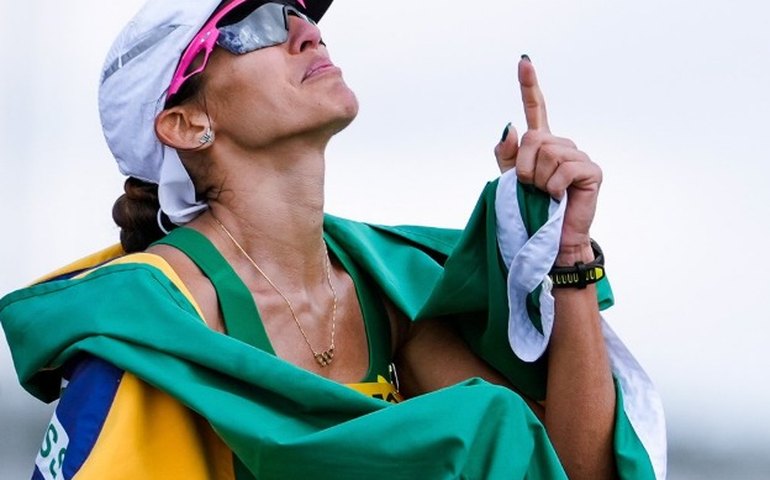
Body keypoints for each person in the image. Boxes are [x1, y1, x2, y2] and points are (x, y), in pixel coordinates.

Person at [0, 0, 666, 479]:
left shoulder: (381, 288)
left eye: (301, 12)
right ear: (186, 122)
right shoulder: (152, 326)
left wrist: (567, 254)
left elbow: (566, 467)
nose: (305, 30)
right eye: (256, 23)